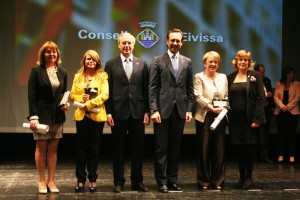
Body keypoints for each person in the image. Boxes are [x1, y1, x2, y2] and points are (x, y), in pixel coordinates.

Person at [149, 28, 194, 193]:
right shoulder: (157, 60)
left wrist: (189, 109)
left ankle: (172, 180)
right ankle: (161, 181)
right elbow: (152, 88)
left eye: (178, 41)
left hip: (180, 111)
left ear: (181, 43)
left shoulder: (187, 62)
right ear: (167, 41)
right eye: (172, 40)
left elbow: (190, 89)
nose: (175, 43)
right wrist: (153, 109)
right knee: (161, 148)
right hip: (162, 111)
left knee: (175, 148)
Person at [104, 32, 150, 193]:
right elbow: (106, 90)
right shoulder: (110, 64)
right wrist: (108, 113)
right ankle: (118, 181)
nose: (127, 46)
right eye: (124, 43)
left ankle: (137, 182)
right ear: (119, 45)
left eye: (129, 43)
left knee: (138, 150)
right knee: (118, 150)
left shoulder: (143, 64)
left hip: (138, 112)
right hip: (117, 113)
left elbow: (146, 90)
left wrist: (147, 111)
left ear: (134, 45)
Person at [27, 41, 69, 194]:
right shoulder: (36, 71)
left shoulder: (63, 72)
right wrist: (33, 116)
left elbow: (64, 94)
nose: (51, 54)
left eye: (54, 52)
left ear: (58, 54)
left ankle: (51, 180)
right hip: (40, 117)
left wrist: (65, 105)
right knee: (41, 147)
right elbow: (32, 96)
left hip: (57, 116)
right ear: (43, 54)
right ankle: (41, 180)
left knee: (53, 149)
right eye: (48, 52)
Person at [70, 50, 109, 193]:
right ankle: (80, 180)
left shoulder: (103, 76)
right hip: (81, 115)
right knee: (81, 149)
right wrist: (82, 99)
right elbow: (73, 94)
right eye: (88, 59)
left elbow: (105, 94)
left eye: (93, 59)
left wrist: (91, 103)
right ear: (84, 61)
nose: (90, 61)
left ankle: (93, 179)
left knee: (94, 149)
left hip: (97, 115)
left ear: (97, 61)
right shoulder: (77, 76)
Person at [227, 50, 265, 190]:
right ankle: (241, 176)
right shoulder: (230, 77)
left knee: (249, 149)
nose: (243, 62)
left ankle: (249, 177)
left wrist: (257, 119)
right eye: (240, 59)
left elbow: (261, 98)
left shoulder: (255, 76)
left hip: (250, 120)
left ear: (249, 62)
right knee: (239, 150)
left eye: (245, 60)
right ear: (236, 61)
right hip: (235, 120)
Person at [193, 51, 228, 190]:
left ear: (218, 64)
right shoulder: (199, 77)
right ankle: (204, 181)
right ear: (205, 63)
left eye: (215, 62)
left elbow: (225, 94)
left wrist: (221, 108)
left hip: (220, 116)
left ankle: (218, 181)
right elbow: (198, 96)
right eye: (210, 62)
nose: (213, 64)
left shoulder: (223, 77)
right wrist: (212, 108)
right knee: (204, 149)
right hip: (204, 116)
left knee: (219, 150)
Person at [273, 66, 300, 164]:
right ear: (285, 74)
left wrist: (287, 107)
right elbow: (275, 97)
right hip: (280, 113)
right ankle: (281, 154)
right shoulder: (278, 84)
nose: (291, 75)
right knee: (281, 134)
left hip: (292, 113)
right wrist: (282, 107)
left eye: (292, 73)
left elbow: (297, 97)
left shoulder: (297, 84)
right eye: (289, 73)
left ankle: (292, 155)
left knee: (292, 134)